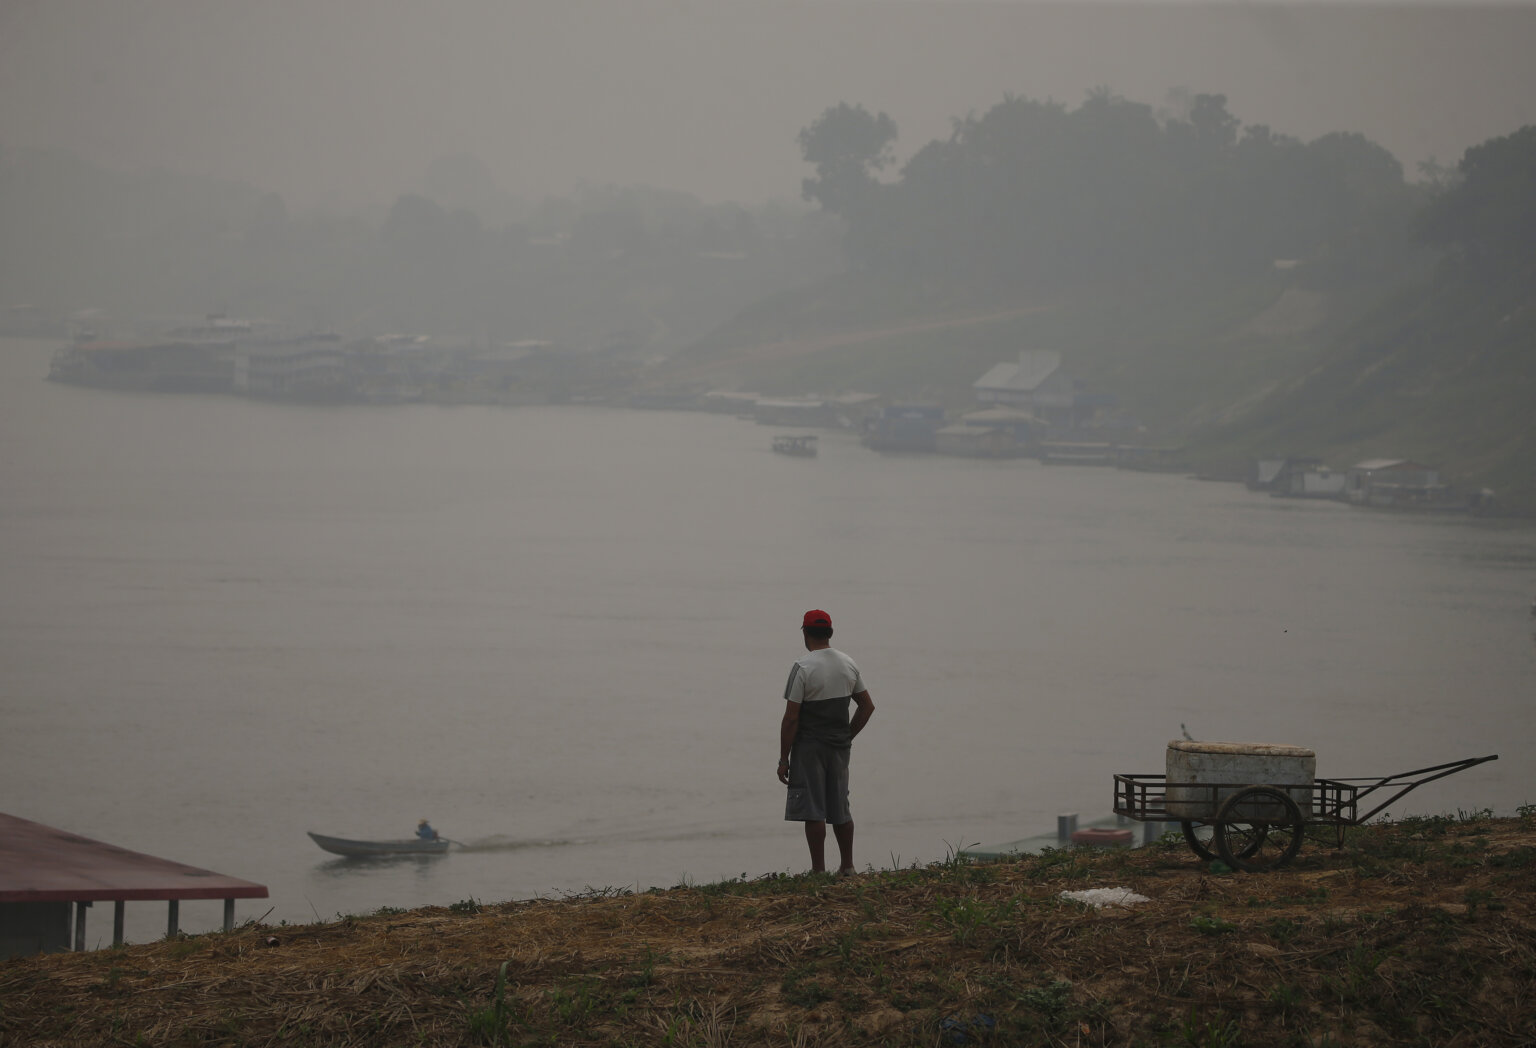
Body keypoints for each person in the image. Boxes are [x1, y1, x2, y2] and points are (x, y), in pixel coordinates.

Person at [777, 609, 875, 875]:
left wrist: (783, 758)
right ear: (830, 632)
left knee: (813, 809)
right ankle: (847, 866)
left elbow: (791, 718)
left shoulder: (802, 667)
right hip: (839, 747)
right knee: (840, 806)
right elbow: (867, 706)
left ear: (805, 633)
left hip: (809, 747)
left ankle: (818, 870)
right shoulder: (847, 663)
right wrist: (847, 736)